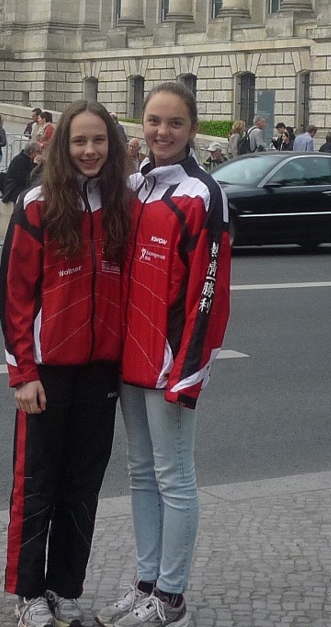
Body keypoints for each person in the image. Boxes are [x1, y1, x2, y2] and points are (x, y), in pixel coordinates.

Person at [98, 81, 230, 627]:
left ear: (193, 129)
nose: (163, 131)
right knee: (141, 474)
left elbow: (210, 291)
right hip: (130, 358)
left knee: (174, 477)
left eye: (175, 122)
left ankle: (171, 598)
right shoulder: (136, 187)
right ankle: (147, 582)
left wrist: (190, 370)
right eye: (154, 120)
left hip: (169, 363)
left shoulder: (204, 194)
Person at [0, 100, 133, 627]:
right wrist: (23, 374)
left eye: (99, 140)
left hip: (101, 370)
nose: (90, 150)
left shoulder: (123, 202)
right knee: (37, 485)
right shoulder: (36, 204)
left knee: (83, 488)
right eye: (80, 141)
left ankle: (66, 588)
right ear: (63, 147)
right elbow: (14, 295)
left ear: (112, 145)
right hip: (48, 369)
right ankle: (29, 594)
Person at [0, 139, 37, 204]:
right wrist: (35, 164)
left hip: (22, 186)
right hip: (13, 189)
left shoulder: (28, 159)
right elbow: (24, 178)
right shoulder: (20, 160)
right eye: (39, 151)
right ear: (32, 152)